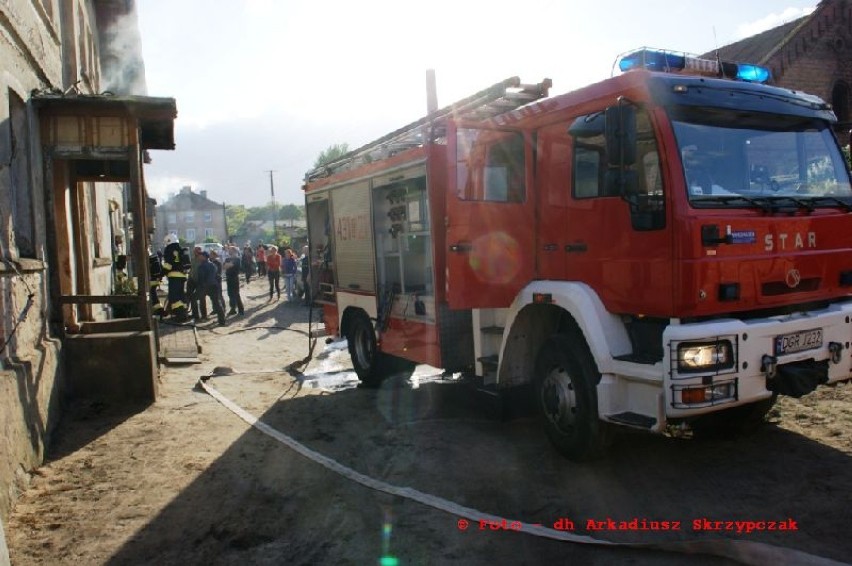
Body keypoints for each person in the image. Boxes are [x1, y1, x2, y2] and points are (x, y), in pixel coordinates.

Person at [161, 233, 189, 322]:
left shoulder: (169, 249)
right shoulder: (181, 249)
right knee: (181, 295)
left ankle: (179, 315)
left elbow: (168, 264)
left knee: (174, 296)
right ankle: (184, 313)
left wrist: (161, 274)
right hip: (182, 276)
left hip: (173, 276)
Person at [197, 251, 226, 326]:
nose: (199, 257)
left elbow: (201, 277)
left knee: (202, 301)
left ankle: (204, 317)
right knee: (217, 303)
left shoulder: (201, 266)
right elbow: (216, 275)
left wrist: (200, 286)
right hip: (214, 285)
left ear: (204, 257)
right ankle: (222, 320)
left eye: (200, 256)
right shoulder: (213, 265)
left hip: (205, 286)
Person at [187, 245, 208, 321]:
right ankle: (195, 315)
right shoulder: (192, 259)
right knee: (192, 297)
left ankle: (204, 315)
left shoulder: (202, 259)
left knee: (202, 298)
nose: (196, 252)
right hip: (192, 280)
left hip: (200, 281)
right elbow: (192, 269)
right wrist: (189, 277)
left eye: (198, 250)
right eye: (195, 250)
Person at [224, 246, 245, 316]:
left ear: (234, 251)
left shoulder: (237, 259)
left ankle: (241, 310)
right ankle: (233, 309)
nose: (228, 251)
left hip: (234, 278)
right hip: (228, 278)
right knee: (230, 294)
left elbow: (229, 265)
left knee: (236, 294)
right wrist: (228, 265)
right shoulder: (227, 258)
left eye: (230, 250)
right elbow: (224, 267)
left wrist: (228, 265)